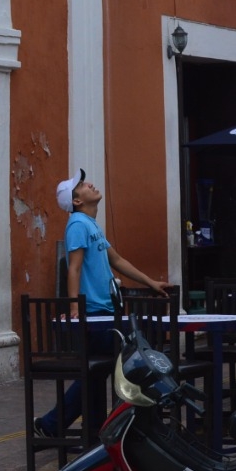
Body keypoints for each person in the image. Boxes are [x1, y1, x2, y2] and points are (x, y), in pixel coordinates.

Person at [34, 168, 167, 437]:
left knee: (101, 371)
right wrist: (75, 308)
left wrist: (150, 282)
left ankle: (82, 426)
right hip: (94, 314)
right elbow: (73, 268)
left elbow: (116, 260)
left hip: (106, 312)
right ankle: (139, 420)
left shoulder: (91, 225)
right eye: (82, 185)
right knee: (134, 360)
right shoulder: (77, 225)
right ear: (76, 201)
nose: (89, 184)